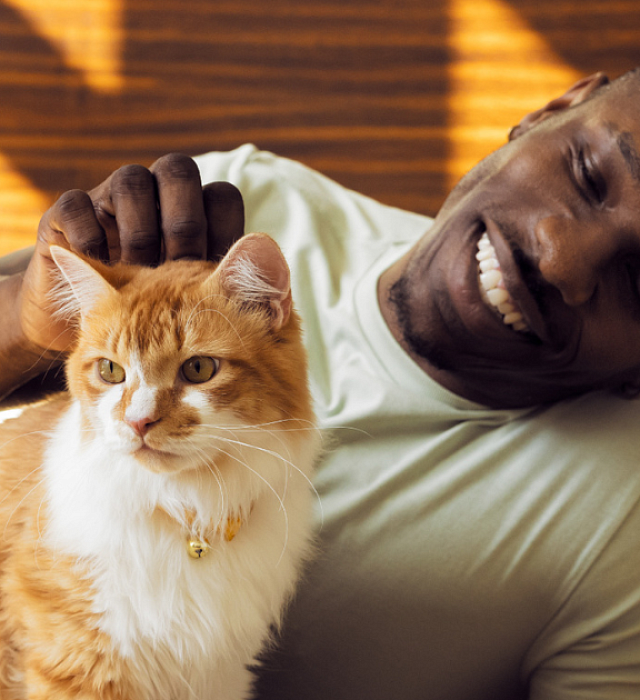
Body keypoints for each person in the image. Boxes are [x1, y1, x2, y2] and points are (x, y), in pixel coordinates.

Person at [1, 69, 640, 699]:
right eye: (588, 174)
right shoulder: (237, 197)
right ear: (553, 108)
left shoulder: (623, 517)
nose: (559, 255)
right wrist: (26, 331)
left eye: (637, 276)